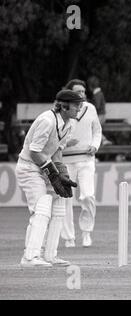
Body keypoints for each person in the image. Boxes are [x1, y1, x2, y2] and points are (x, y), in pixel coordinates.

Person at [15, 89, 80, 267]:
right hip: (29, 167)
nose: (79, 108)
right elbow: (35, 151)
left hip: (46, 167)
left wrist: (62, 173)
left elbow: (57, 150)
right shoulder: (47, 120)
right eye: (76, 105)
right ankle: (29, 257)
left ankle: (50, 255)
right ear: (64, 106)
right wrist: (52, 173)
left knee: (59, 207)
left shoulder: (70, 124)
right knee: (42, 208)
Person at [61, 79, 102, 248]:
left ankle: (86, 233)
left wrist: (94, 145)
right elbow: (55, 134)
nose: (81, 94)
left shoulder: (91, 108)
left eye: (83, 91)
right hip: (66, 160)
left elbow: (97, 131)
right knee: (65, 199)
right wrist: (65, 143)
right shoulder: (61, 110)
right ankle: (69, 237)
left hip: (86, 158)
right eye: (77, 91)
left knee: (88, 196)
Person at [87, 76, 112, 146]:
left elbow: (97, 106)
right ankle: (103, 140)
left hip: (100, 116)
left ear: (90, 87)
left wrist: (89, 104)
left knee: (93, 128)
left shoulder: (97, 94)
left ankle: (104, 140)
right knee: (93, 128)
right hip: (101, 115)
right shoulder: (98, 93)